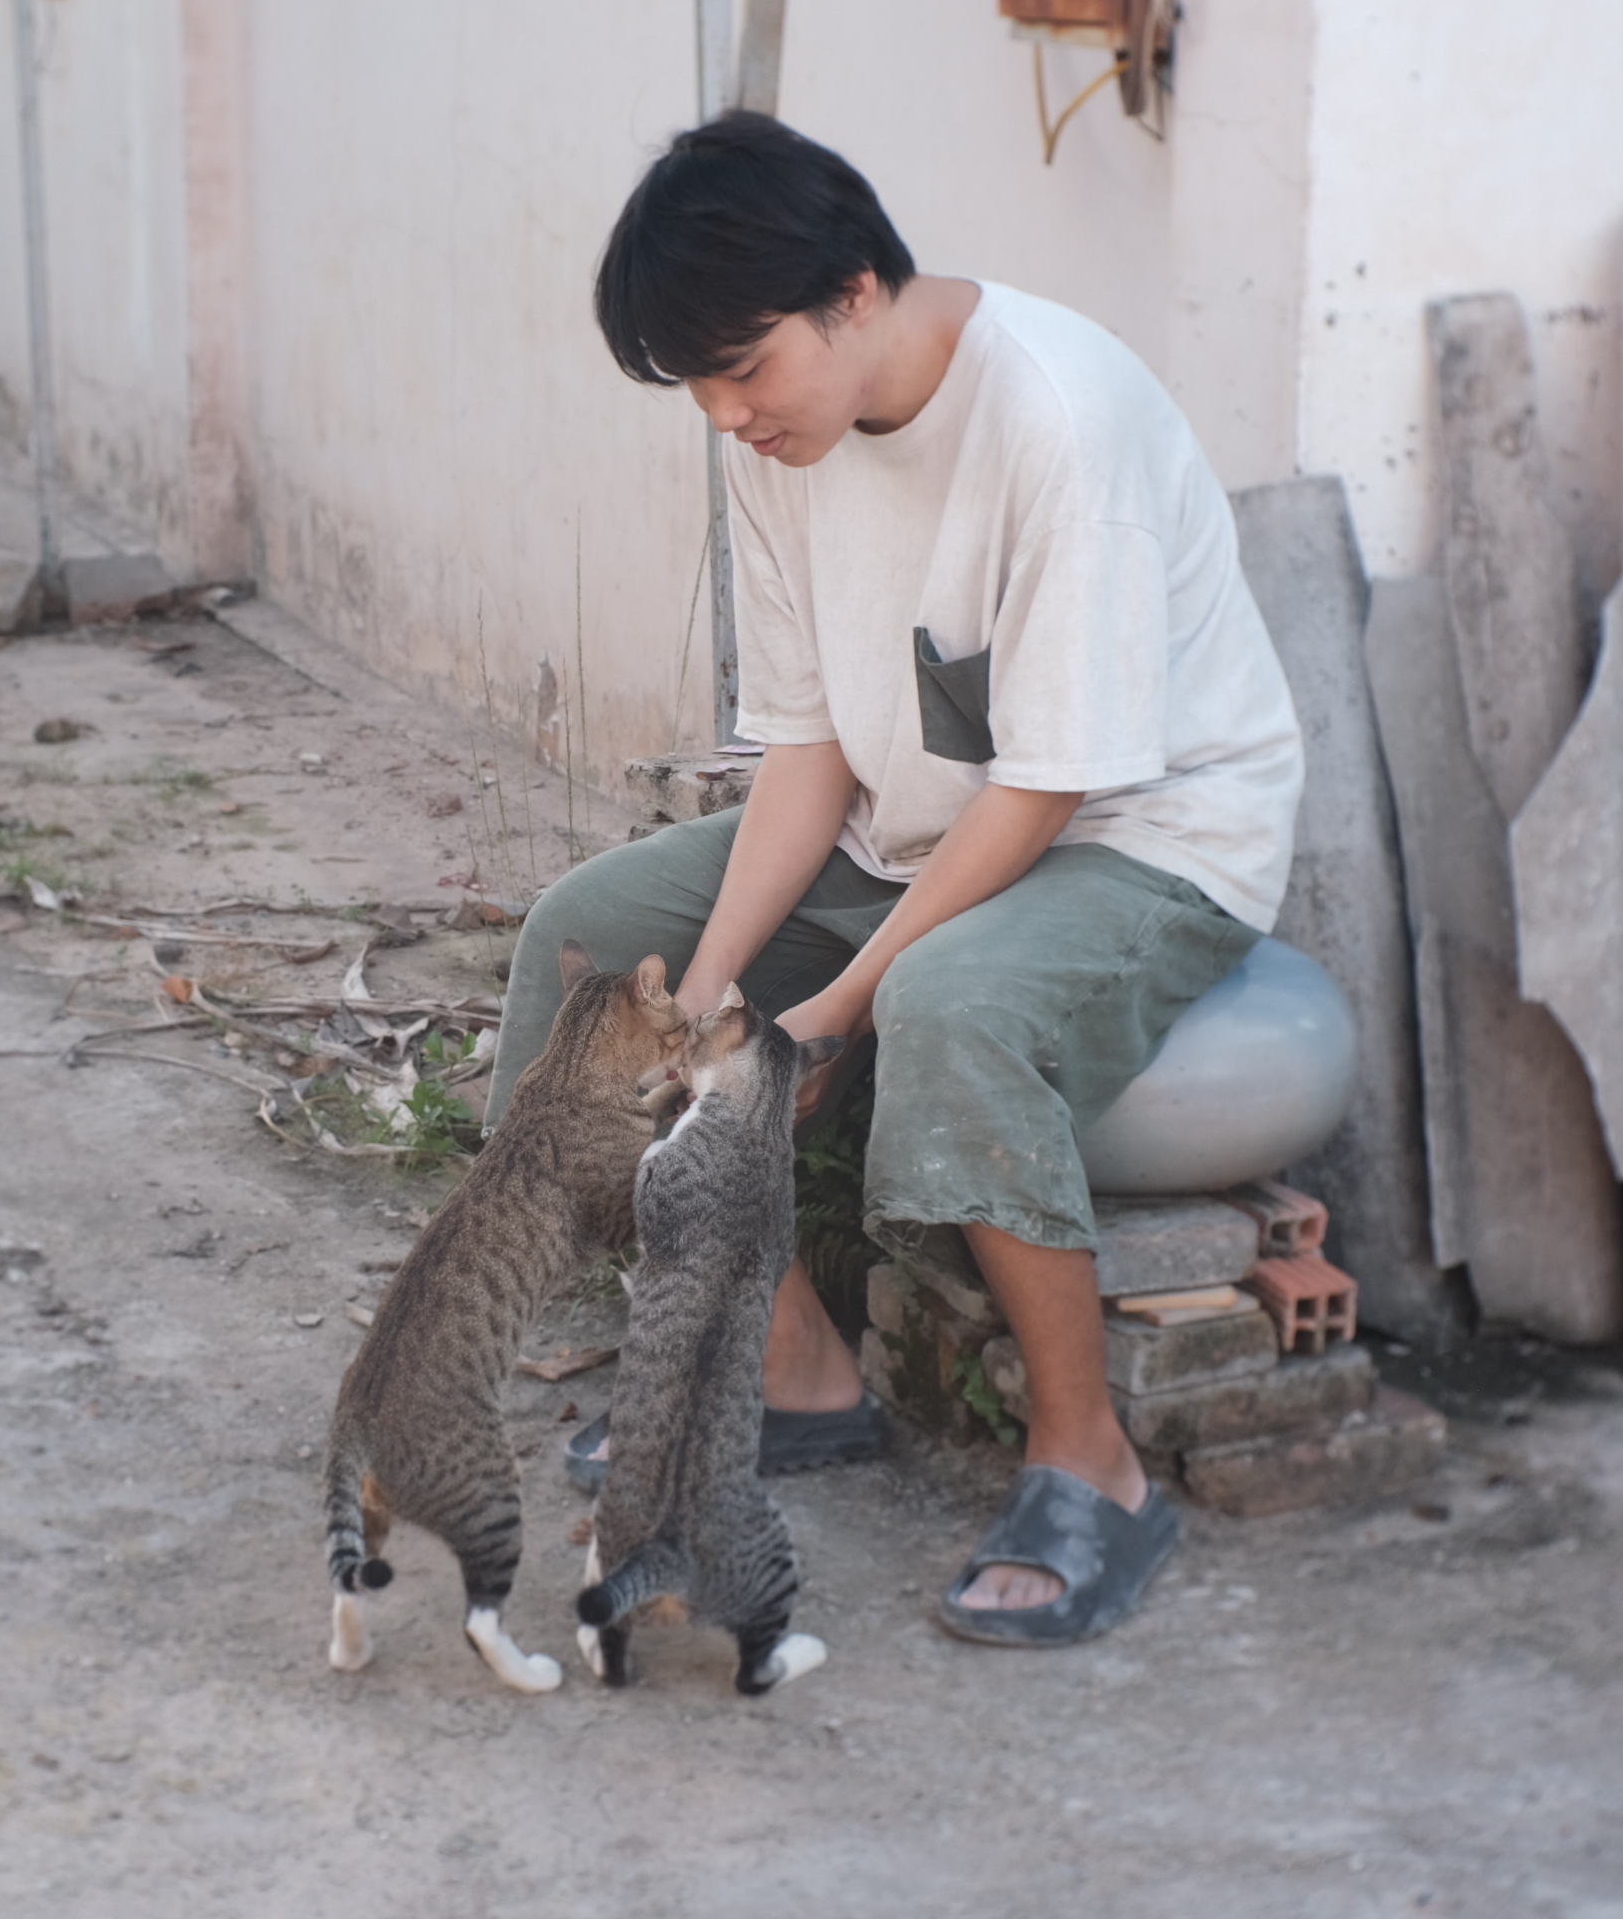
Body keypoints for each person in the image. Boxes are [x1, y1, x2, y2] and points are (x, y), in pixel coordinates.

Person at [484, 112, 1302, 1647]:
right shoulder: (784, 439)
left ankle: (1094, 1466)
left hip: (1139, 842)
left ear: (856, 292)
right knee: (595, 949)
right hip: (904, 829)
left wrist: (841, 1004)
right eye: (699, 388)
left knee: (946, 999)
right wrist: (715, 993)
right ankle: (788, 1372)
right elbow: (812, 749)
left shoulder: (1058, 420)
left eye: (743, 370)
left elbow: (1049, 784)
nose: (728, 415)